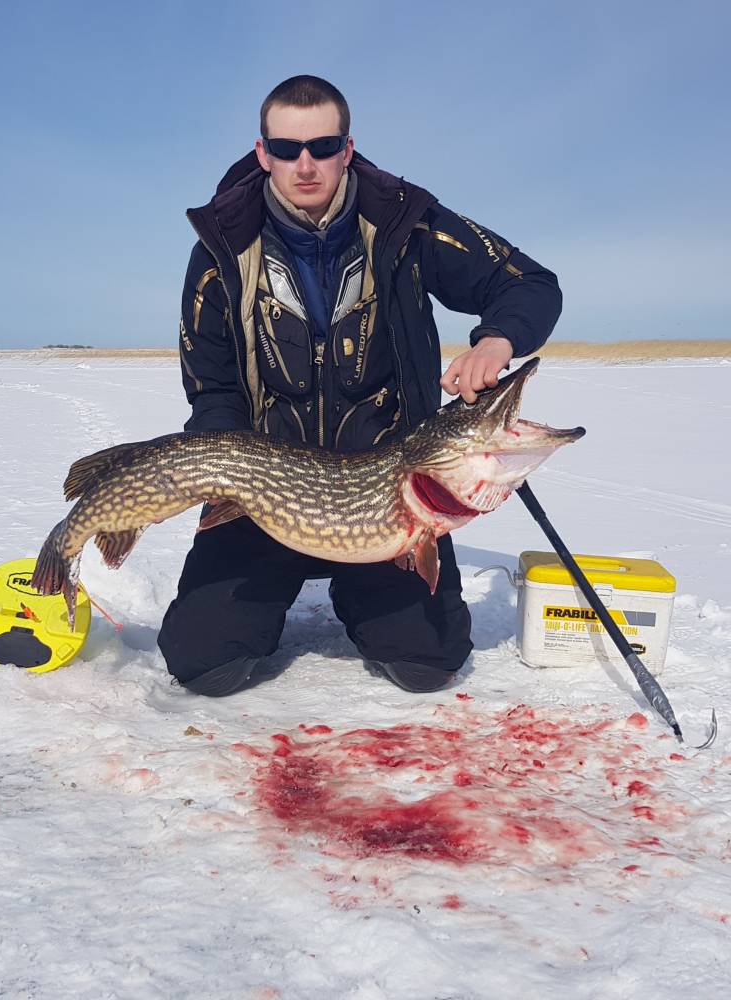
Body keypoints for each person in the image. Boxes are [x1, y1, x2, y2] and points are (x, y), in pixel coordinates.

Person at [157, 75, 562, 697]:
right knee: (204, 664)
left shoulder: (409, 223)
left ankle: (362, 586)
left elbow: (528, 283)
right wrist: (227, 469)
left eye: (323, 145)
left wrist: (497, 339)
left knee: (429, 662)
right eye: (287, 149)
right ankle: (280, 581)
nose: (306, 164)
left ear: (348, 148)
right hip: (268, 497)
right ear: (263, 153)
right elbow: (211, 387)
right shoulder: (220, 250)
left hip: (391, 491)